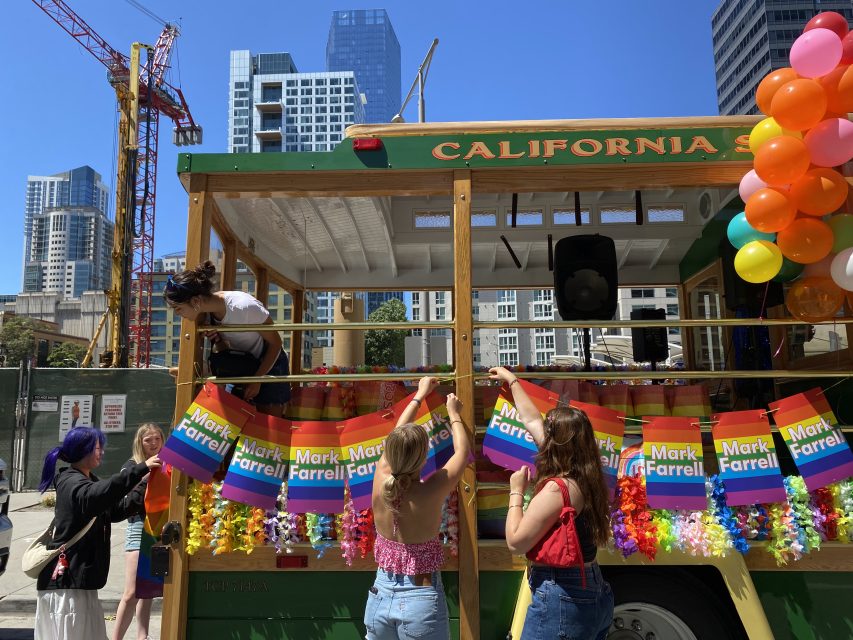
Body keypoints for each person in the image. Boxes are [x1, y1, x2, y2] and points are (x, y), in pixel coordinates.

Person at [490, 366, 613, 640]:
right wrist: (512, 381)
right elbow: (531, 418)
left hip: (563, 597)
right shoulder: (587, 474)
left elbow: (516, 542)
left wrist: (515, 493)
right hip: (589, 589)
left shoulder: (558, 490)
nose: (541, 429)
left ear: (556, 443)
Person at [365, 377, 470, 640]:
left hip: (379, 594)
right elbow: (462, 451)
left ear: (390, 451)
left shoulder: (380, 475)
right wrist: (454, 414)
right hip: (420, 601)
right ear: (423, 458)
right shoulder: (429, 490)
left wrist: (419, 394)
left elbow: (397, 434)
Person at [35, 426, 161, 640]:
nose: (101, 451)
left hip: (82, 584)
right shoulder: (69, 481)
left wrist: (145, 483)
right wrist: (139, 470)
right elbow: (96, 496)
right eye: (97, 447)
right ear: (82, 451)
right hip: (67, 586)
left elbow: (118, 509)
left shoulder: (88, 480)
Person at [164, 260, 291, 417]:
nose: (177, 314)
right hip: (244, 363)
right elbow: (226, 348)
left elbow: (276, 343)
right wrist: (217, 340)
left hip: (271, 362)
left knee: (269, 425)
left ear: (196, 301)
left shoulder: (243, 307)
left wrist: (258, 379)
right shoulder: (205, 314)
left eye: (178, 308)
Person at [113, 423, 165, 640]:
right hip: (138, 526)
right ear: (140, 442)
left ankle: (142, 636)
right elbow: (124, 497)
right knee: (132, 591)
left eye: (157, 439)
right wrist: (146, 469)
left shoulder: (167, 463)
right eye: (148, 440)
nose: (153, 444)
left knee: (148, 588)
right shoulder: (132, 465)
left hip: (159, 528)